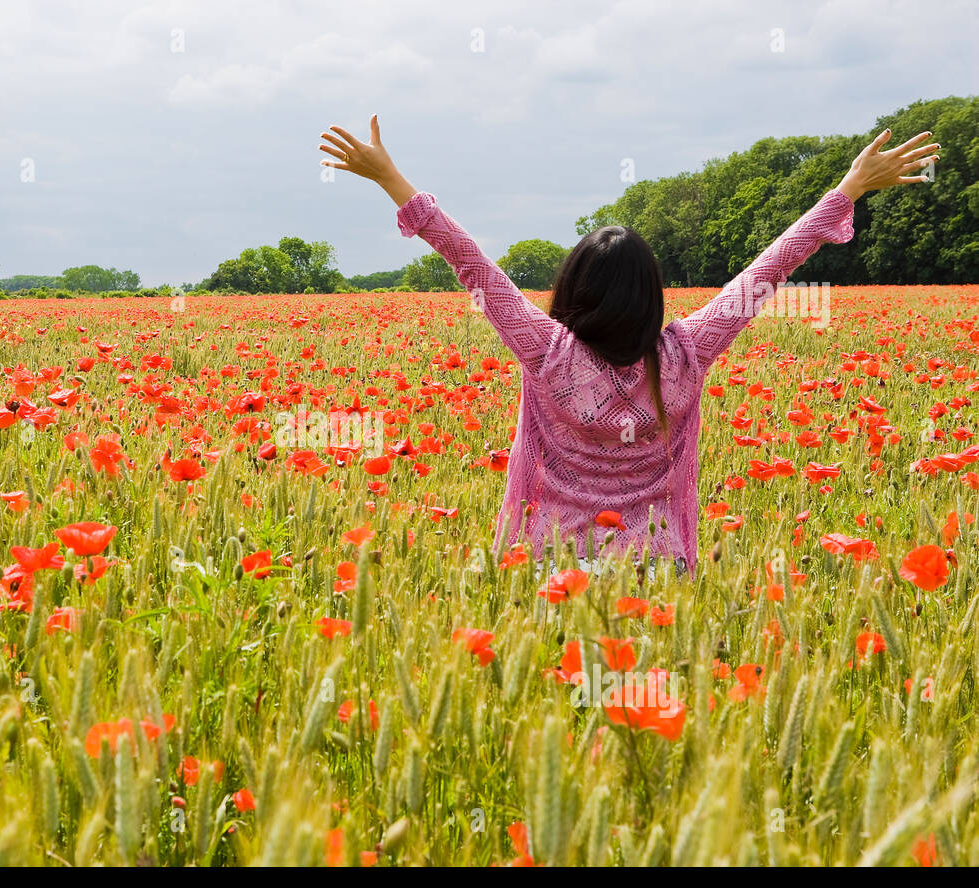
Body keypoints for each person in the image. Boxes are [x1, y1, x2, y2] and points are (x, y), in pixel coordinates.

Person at [320, 116, 938, 574]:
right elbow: (766, 272)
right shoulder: (688, 353)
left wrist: (390, 179)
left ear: (572, 290)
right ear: (652, 296)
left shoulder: (545, 351)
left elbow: (470, 263)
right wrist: (848, 189)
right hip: (655, 567)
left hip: (550, 567)